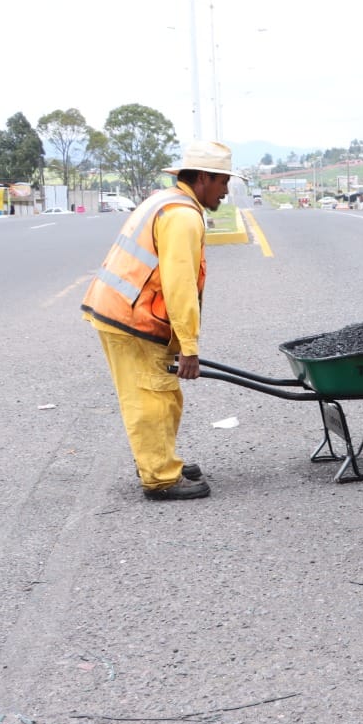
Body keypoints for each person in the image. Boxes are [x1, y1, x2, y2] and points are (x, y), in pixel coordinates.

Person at [80, 141, 237, 501]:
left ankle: (161, 460)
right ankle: (160, 477)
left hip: (125, 309)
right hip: (133, 317)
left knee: (163, 395)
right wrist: (189, 348)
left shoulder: (166, 200)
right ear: (202, 178)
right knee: (152, 395)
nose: (226, 191)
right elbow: (179, 285)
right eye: (222, 181)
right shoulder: (182, 216)